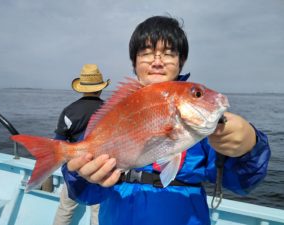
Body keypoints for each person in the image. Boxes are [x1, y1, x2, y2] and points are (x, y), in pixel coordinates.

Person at [62, 16, 271, 225]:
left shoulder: (206, 129)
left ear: (181, 62)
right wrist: (80, 175)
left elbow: (241, 183)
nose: (157, 61)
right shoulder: (118, 111)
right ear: (134, 62)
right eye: (146, 53)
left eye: (169, 54)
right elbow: (83, 194)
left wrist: (249, 148)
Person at [53, 64, 110, 225]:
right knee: (98, 212)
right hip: (100, 168)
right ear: (100, 88)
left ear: (82, 87)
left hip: (74, 168)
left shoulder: (69, 111)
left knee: (65, 209)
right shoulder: (108, 110)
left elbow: (59, 143)